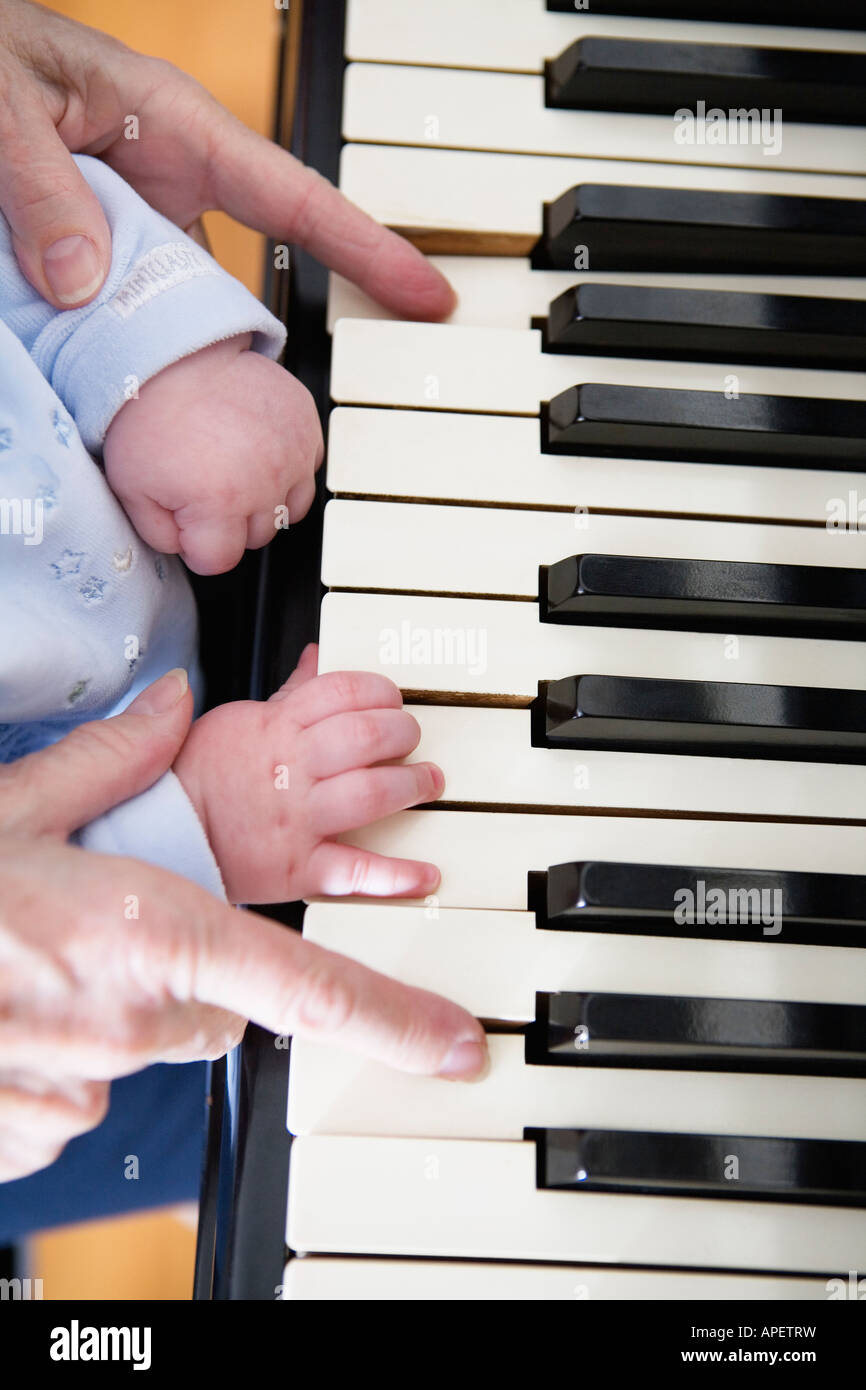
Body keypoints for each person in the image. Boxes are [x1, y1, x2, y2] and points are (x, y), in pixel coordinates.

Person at [0, 0, 485, 1236]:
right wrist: (184, 831)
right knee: (285, 1103)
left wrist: (159, 358)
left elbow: (35, 222)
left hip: (159, 565)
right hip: (92, 911)